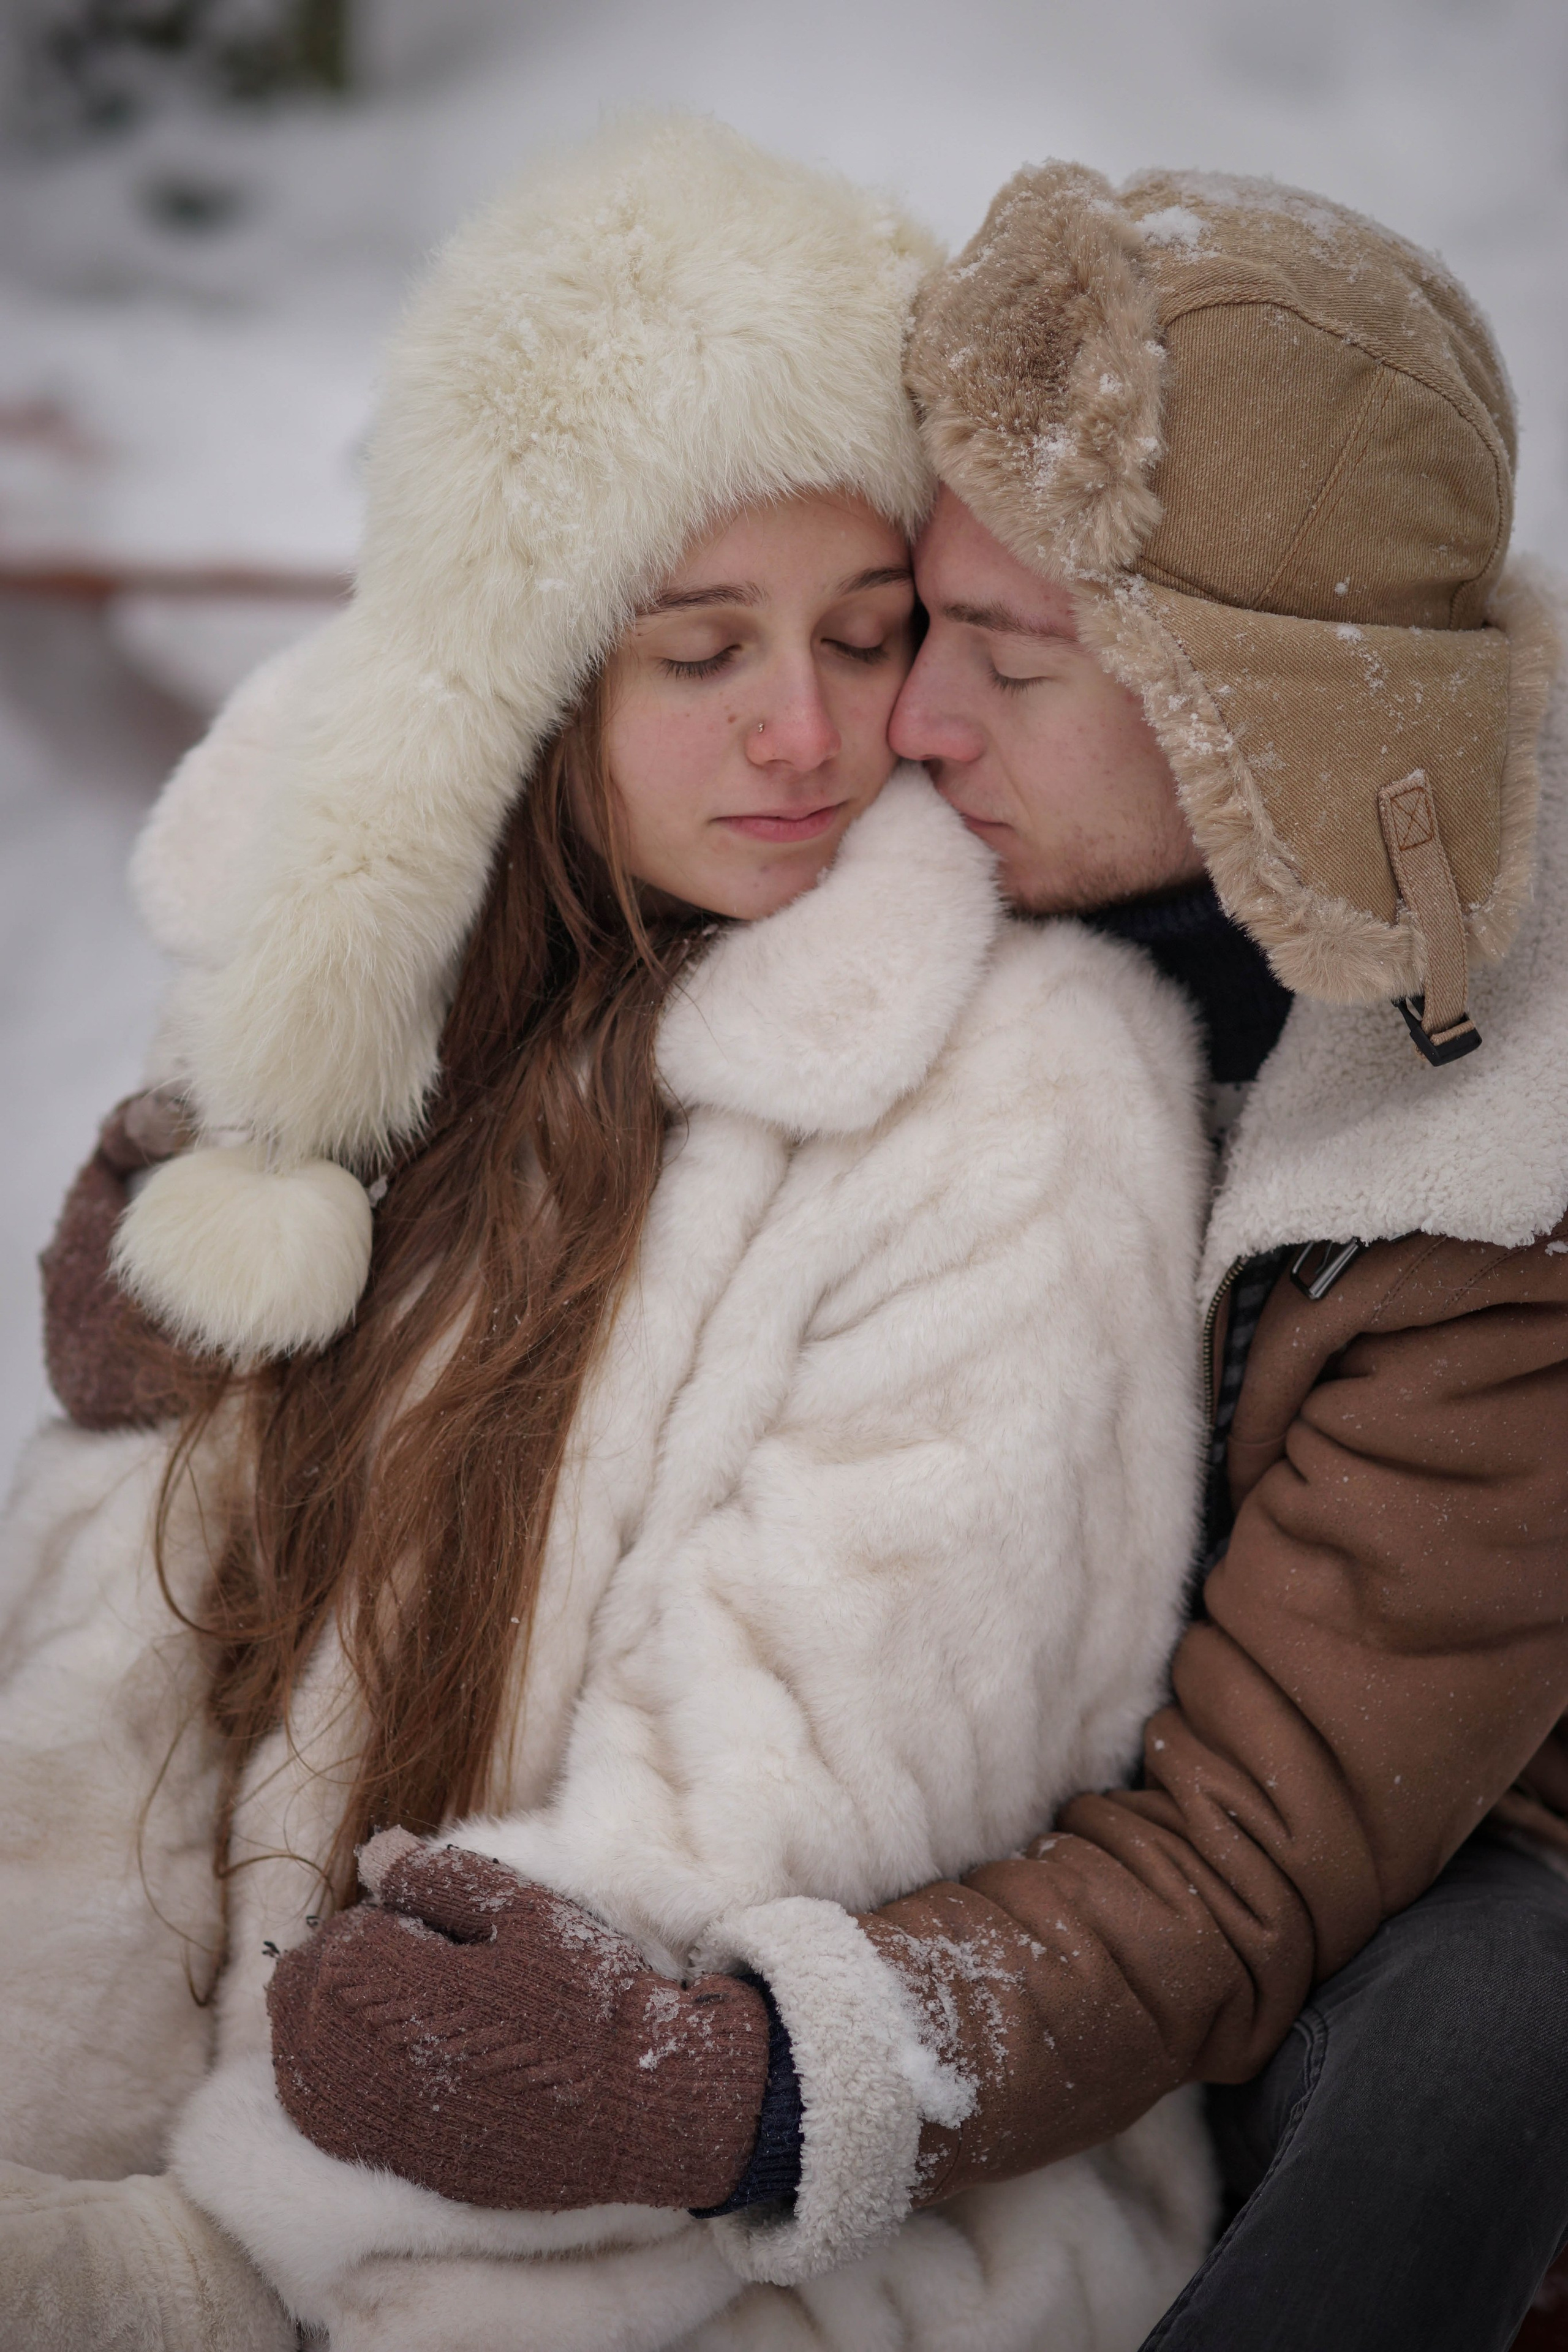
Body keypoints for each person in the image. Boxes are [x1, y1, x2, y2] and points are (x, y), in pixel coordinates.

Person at [239, 167, 1568, 2352]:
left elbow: (1250, 1858)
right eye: (913, 626)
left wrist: (735, 2085)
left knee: (1494, 2024)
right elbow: (541, 786)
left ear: (1260, 728)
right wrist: (252, 1135)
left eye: (1005, 661)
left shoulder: (1490, 1208)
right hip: (980, 1756)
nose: (900, 725)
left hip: (1338, 1884)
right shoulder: (1018, 803)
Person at [0, 121, 1222, 2350]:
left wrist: (217, 2266)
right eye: (700, 653)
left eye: (870, 638)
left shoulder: (1018, 1093)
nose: (810, 733)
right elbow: (120, 1698)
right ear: (537, 681)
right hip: (247, 2122)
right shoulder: (383, 1044)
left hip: (688, 2241)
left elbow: (779, 1810)